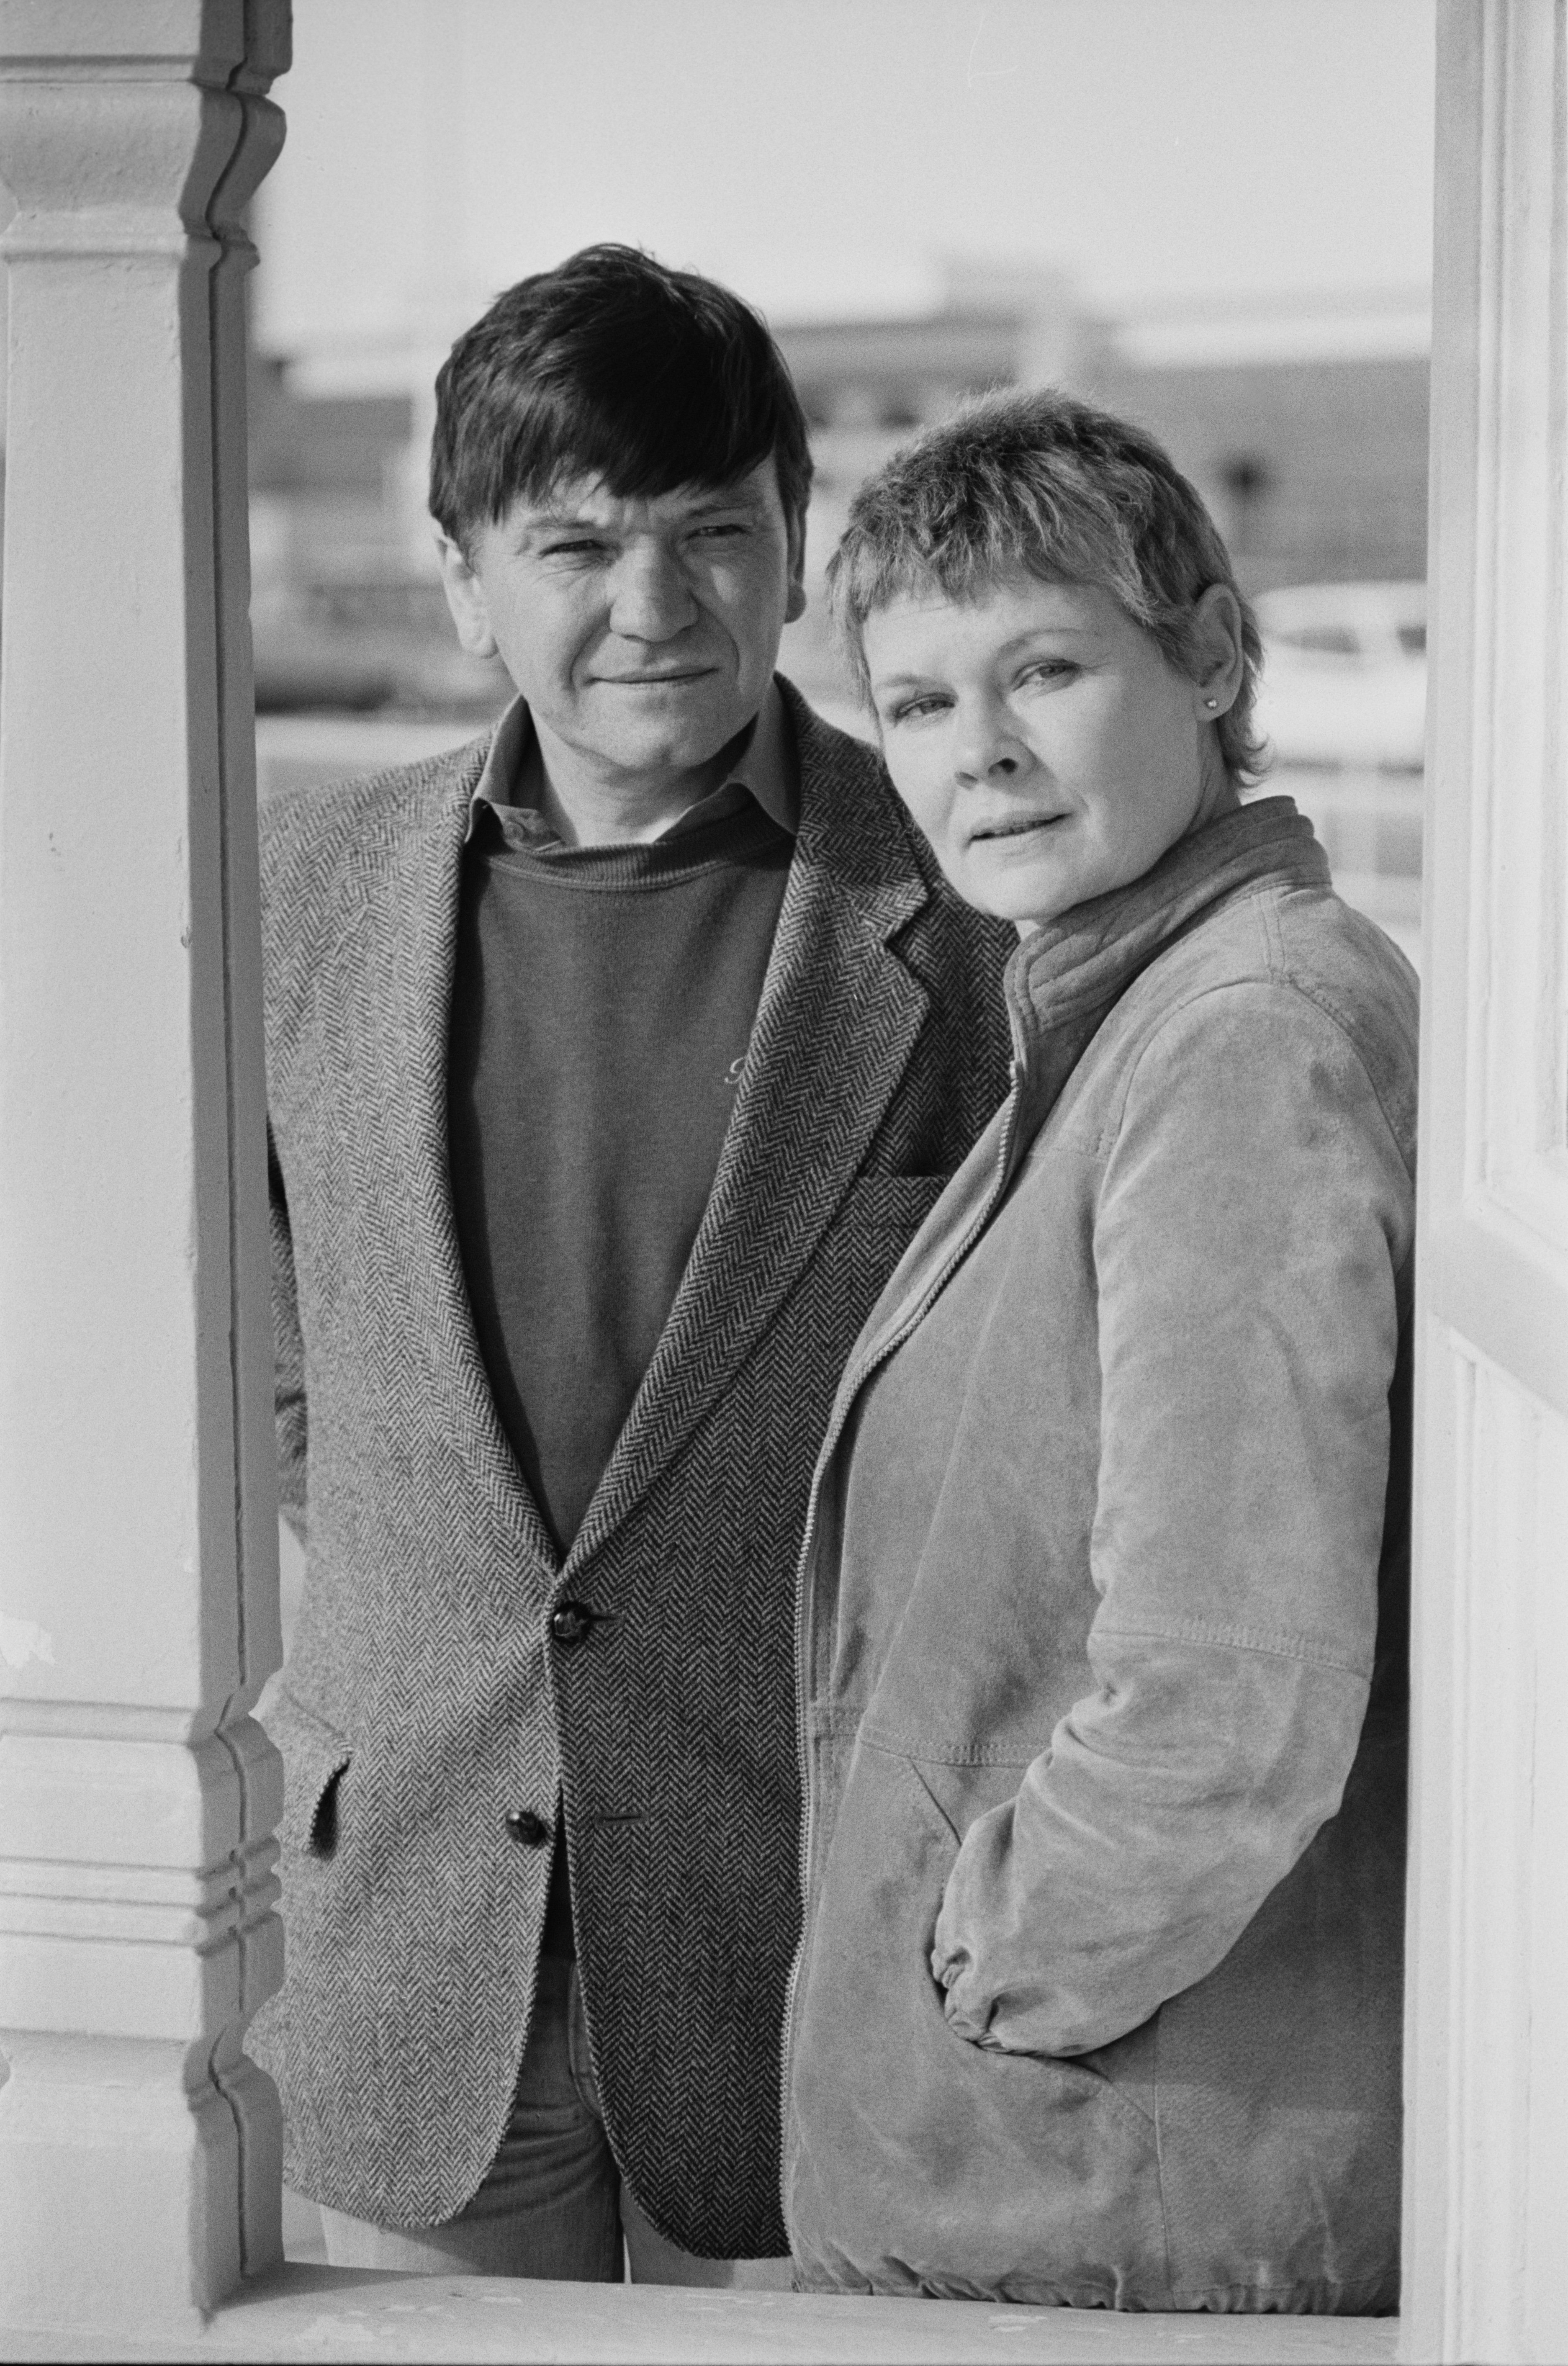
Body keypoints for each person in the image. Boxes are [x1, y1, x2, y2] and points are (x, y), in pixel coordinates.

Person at [249, 245, 1011, 2284]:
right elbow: (259, 1357)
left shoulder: (961, 917)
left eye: (710, 534)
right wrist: (457, 1584)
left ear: (795, 542)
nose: (651, 606)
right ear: (459, 572)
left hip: (822, 1936)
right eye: (574, 543)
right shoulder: (298, 893)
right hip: (409, 1933)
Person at [783, 389, 1416, 2312]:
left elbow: (1228, 1704)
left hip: (1102, 2215)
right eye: (915, 704)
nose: (978, 754)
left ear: (1211, 655)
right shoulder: (1132, 1008)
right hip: (1085, 2187)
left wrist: (978, 1978)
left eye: (1042, 669)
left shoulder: (1235, 1041)